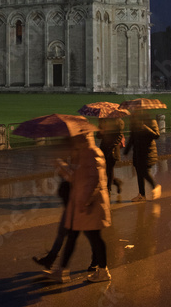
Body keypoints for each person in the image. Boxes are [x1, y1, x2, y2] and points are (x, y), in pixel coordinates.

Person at [47, 132, 111, 283]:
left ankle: (103, 271)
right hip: (80, 203)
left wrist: (86, 201)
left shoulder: (92, 153)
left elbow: (95, 180)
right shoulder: (81, 153)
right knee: (74, 236)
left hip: (89, 205)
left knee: (94, 238)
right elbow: (75, 178)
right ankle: (62, 271)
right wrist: (61, 166)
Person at [123, 109, 161, 201]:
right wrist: (126, 151)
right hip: (137, 152)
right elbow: (132, 138)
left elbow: (156, 135)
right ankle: (141, 195)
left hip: (148, 152)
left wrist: (145, 127)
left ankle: (155, 186)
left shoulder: (151, 122)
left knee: (144, 172)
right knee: (139, 174)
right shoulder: (134, 123)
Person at [98, 117, 125, 197]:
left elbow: (119, 136)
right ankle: (116, 182)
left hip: (112, 149)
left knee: (109, 169)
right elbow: (98, 136)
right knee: (104, 170)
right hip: (104, 148)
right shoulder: (102, 121)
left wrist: (112, 146)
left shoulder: (117, 122)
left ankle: (108, 189)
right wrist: (101, 132)